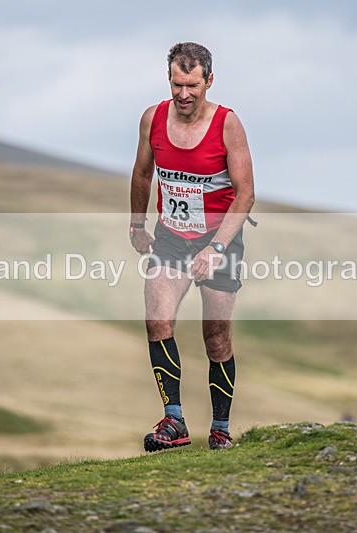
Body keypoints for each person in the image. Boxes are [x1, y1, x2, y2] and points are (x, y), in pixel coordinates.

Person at [129, 42, 255, 451]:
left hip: (220, 240)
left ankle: (220, 428)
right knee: (156, 320)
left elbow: (245, 194)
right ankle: (175, 422)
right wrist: (137, 222)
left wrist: (216, 248)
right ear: (169, 79)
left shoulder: (227, 124)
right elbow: (143, 173)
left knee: (216, 338)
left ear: (208, 82)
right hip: (171, 238)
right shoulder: (153, 118)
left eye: (192, 86)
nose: (183, 95)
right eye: (176, 84)